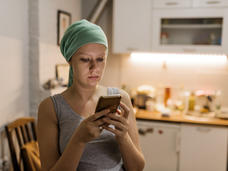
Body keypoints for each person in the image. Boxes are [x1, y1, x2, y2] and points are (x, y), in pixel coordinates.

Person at [37, 19, 145, 171]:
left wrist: (123, 137)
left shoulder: (122, 99)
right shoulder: (50, 108)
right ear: (70, 60)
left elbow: (137, 168)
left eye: (100, 59)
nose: (95, 67)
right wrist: (79, 140)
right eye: (85, 59)